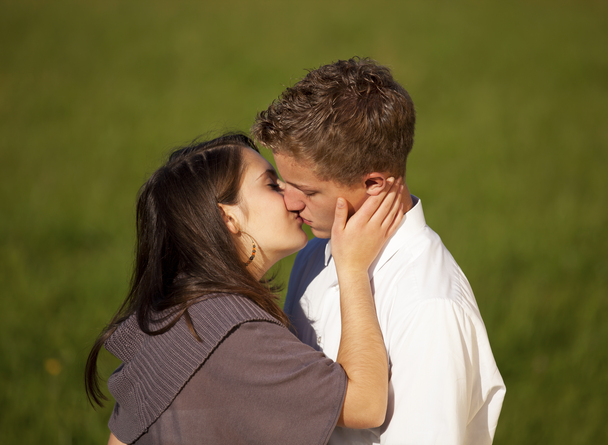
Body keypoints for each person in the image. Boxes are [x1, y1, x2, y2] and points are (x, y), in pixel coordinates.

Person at [84, 133, 405, 444]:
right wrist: (351, 267)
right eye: (272, 184)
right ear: (228, 219)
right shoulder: (234, 335)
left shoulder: (179, 309)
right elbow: (365, 405)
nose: (292, 197)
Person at [252, 57, 506, 444]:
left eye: (306, 190)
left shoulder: (430, 308)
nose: (288, 203)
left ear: (374, 184)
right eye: (284, 183)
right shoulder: (317, 252)